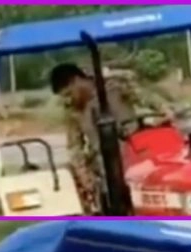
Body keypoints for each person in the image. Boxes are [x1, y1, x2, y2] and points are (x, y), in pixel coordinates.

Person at [49, 63, 174, 214]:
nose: (68, 100)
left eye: (69, 94)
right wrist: (83, 175)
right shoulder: (73, 112)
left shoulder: (114, 87)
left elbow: (144, 97)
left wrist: (163, 109)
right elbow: (75, 146)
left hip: (136, 154)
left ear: (76, 80)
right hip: (104, 167)